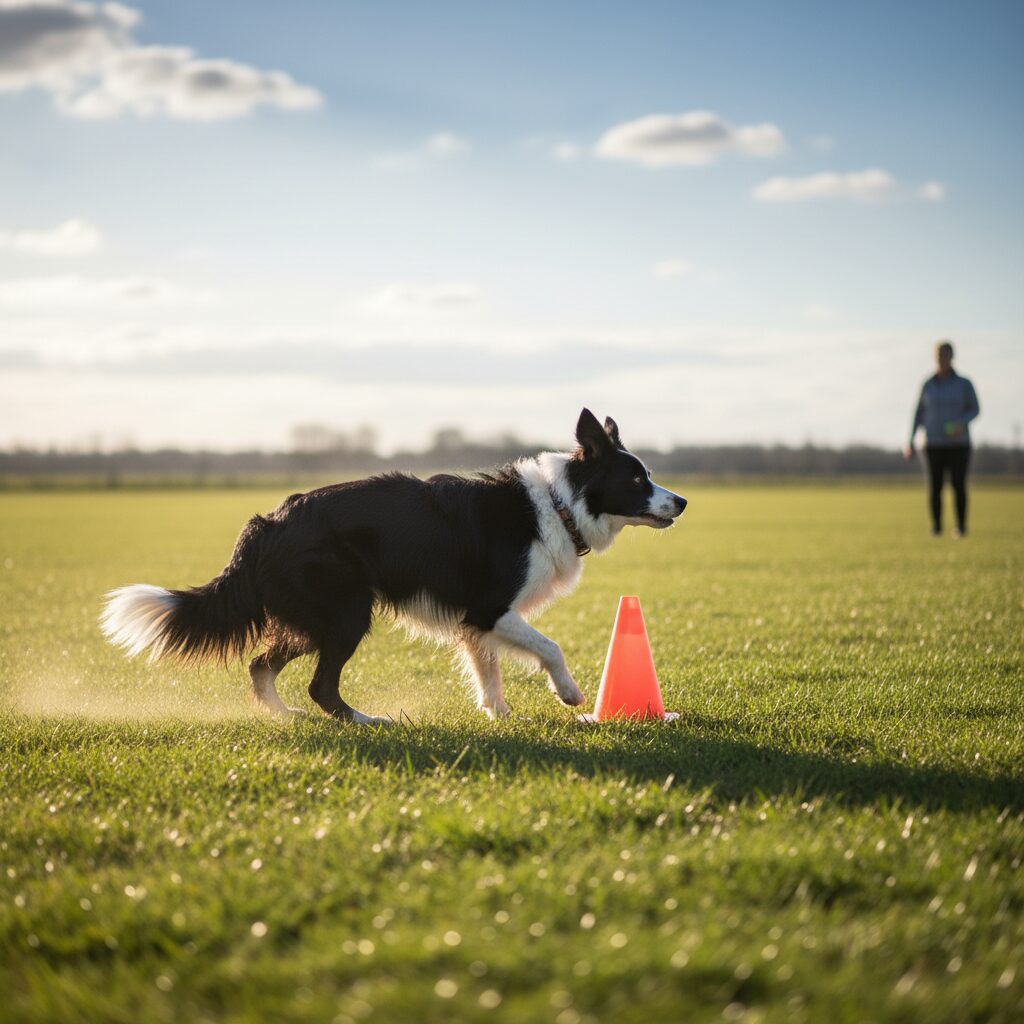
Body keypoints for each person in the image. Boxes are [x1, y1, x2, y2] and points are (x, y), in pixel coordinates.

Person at [905, 340, 980, 537]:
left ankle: (961, 527)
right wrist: (911, 440)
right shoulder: (928, 384)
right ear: (935, 358)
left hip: (958, 444)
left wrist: (960, 424)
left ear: (951, 357)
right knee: (934, 487)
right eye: (939, 355)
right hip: (933, 443)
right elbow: (918, 413)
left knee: (958, 485)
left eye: (945, 355)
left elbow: (975, 409)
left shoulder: (964, 383)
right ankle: (936, 528)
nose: (942, 359)